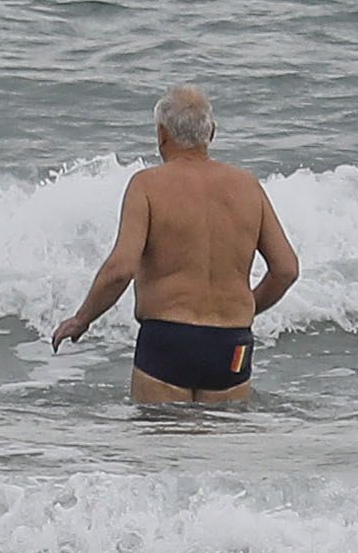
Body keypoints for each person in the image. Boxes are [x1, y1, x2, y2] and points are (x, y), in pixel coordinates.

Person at [52, 87, 298, 404]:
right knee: (222, 449)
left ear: (161, 134)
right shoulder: (248, 187)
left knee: (162, 450)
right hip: (231, 345)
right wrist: (245, 307)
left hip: (168, 342)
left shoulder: (147, 185)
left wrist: (82, 319)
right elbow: (286, 269)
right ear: (211, 132)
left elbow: (120, 270)